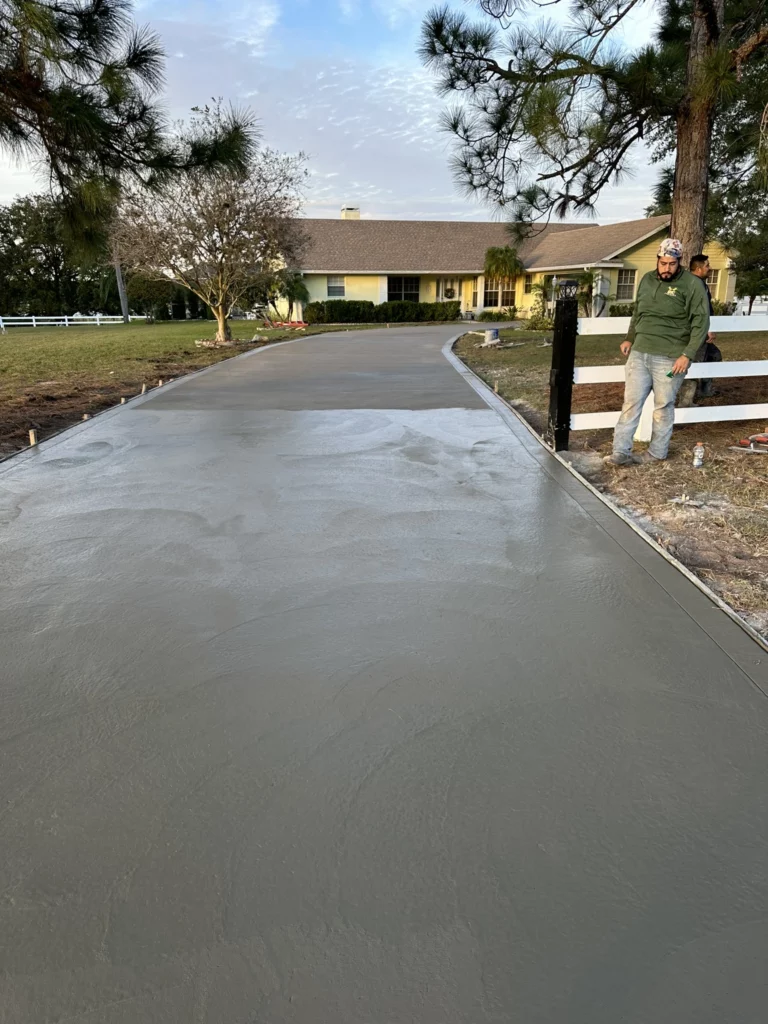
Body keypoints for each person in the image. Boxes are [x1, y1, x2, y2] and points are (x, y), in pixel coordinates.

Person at [607, 238, 710, 466]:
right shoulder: (646, 280)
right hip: (640, 353)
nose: (666, 268)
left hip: (671, 358)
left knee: (663, 407)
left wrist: (687, 354)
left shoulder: (692, 285)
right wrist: (630, 337)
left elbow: (701, 322)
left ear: (679, 262)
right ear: (658, 260)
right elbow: (638, 312)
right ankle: (620, 453)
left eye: (672, 264)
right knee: (630, 404)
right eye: (663, 263)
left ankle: (656, 454)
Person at [684, 253, 721, 401]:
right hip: (696, 333)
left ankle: (705, 390)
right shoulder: (694, 284)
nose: (710, 268)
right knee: (693, 364)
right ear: (699, 268)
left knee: (714, 356)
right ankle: (685, 401)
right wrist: (707, 329)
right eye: (707, 266)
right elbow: (700, 310)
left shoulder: (700, 284)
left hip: (701, 330)